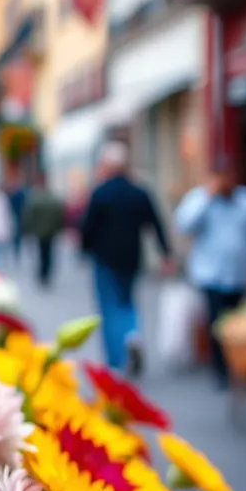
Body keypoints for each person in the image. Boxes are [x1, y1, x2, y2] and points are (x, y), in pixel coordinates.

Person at [175, 162, 246, 389]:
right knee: (217, 323)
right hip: (211, 273)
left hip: (239, 273)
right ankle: (221, 370)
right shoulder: (200, 199)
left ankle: (240, 367)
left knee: (240, 326)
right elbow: (184, 225)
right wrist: (208, 197)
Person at [80, 142, 173, 376]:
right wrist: (166, 253)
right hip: (132, 257)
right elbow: (156, 223)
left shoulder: (100, 193)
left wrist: (85, 248)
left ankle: (115, 361)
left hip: (105, 259)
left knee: (110, 308)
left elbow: (88, 228)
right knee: (128, 302)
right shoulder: (139, 192)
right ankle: (133, 334)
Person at [22, 174, 66, 288]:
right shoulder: (53, 198)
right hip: (51, 231)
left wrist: (28, 229)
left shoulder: (35, 198)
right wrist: (58, 228)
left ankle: (42, 273)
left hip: (39, 231)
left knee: (42, 253)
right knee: (49, 253)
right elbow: (60, 214)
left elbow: (29, 216)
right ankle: (46, 273)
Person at [7, 178, 28, 263]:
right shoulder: (17, 195)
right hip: (16, 217)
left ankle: (16, 248)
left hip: (17, 217)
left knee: (17, 235)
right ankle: (15, 249)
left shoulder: (17, 195)